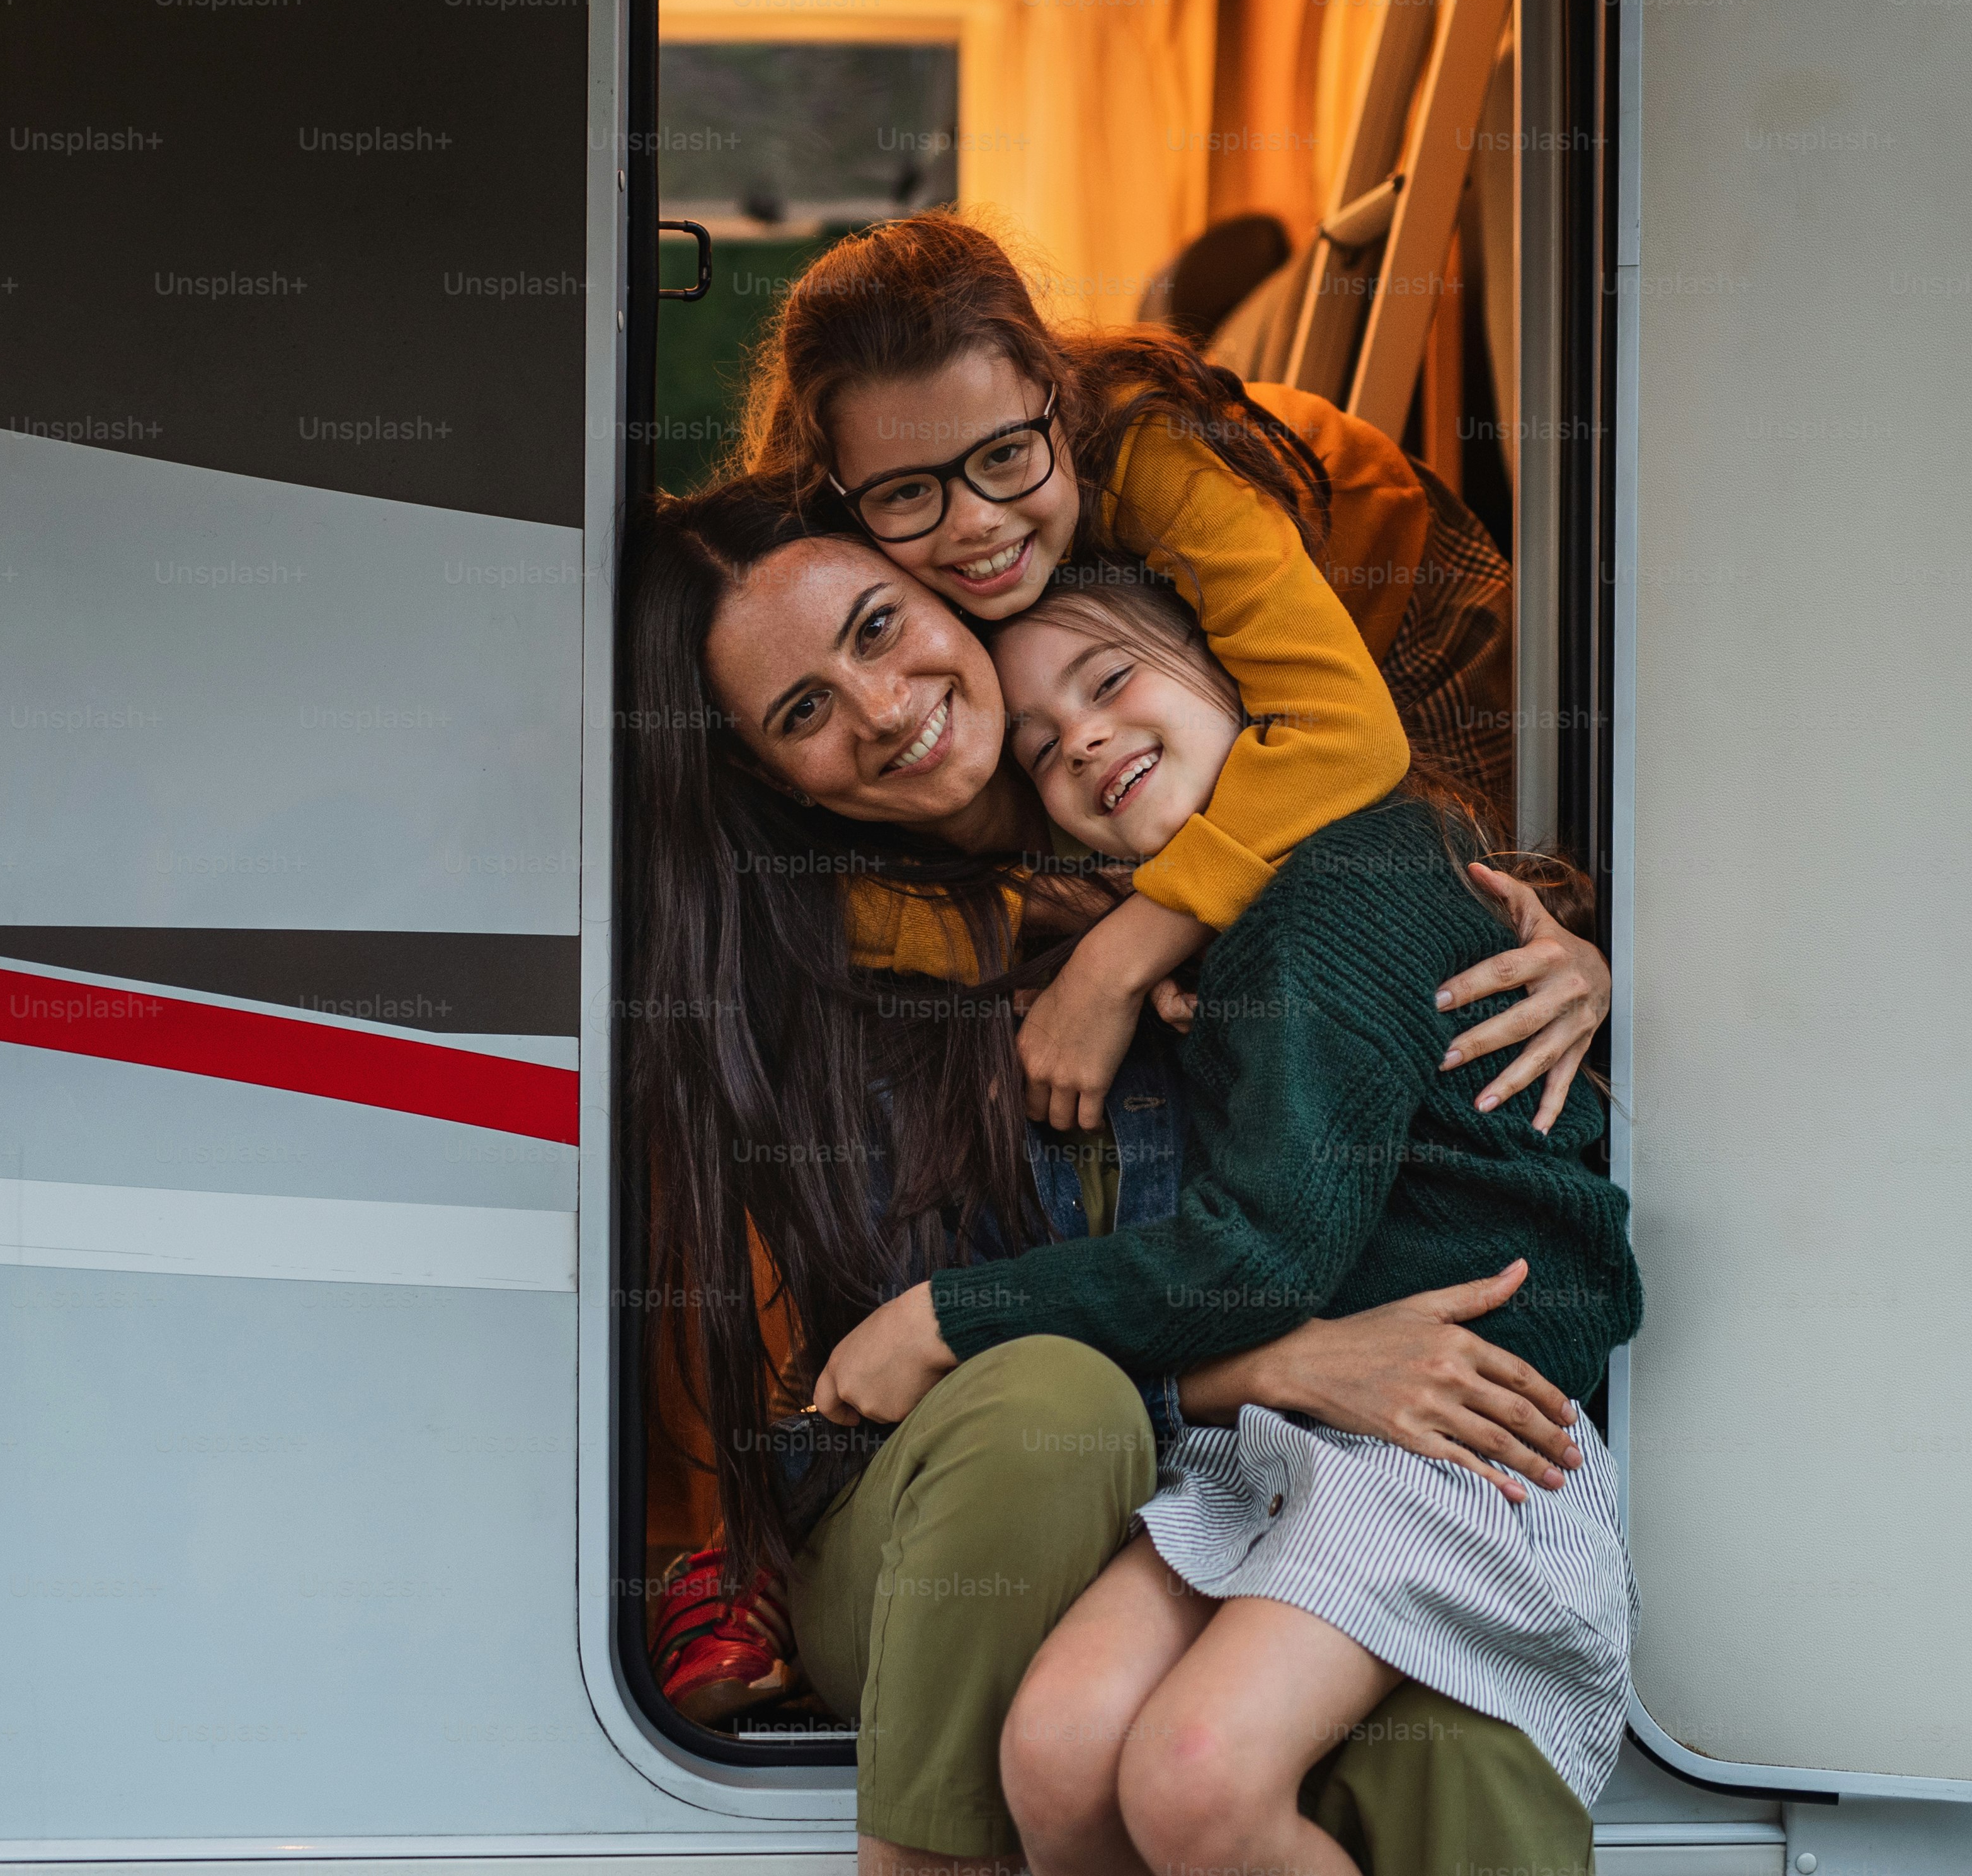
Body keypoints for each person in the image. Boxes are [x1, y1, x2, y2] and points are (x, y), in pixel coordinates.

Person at [627, 481, 1612, 1876]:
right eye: (802, 712)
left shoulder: (1199, 861)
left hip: (1284, 1463)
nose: (884, 708)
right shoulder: (816, 966)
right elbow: (928, 1375)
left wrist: (1571, 959)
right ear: (769, 774)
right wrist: (1280, 1364)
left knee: (1432, 1745)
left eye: (880, 626)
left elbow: (1392, 945)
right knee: (1053, 1407)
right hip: (971, 1502)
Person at [734, 211, 1536, 1138]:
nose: (976, 522)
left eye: (1005, 455)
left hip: (1387, 601)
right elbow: (813, 902)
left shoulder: (1147, 453)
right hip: (1159, 701)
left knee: (1442, 905)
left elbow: (1347, 735)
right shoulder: (825, 574)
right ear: (839, 492)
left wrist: (1114, 960)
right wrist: (1037, 910)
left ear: (1056, 397)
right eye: (908, 491)